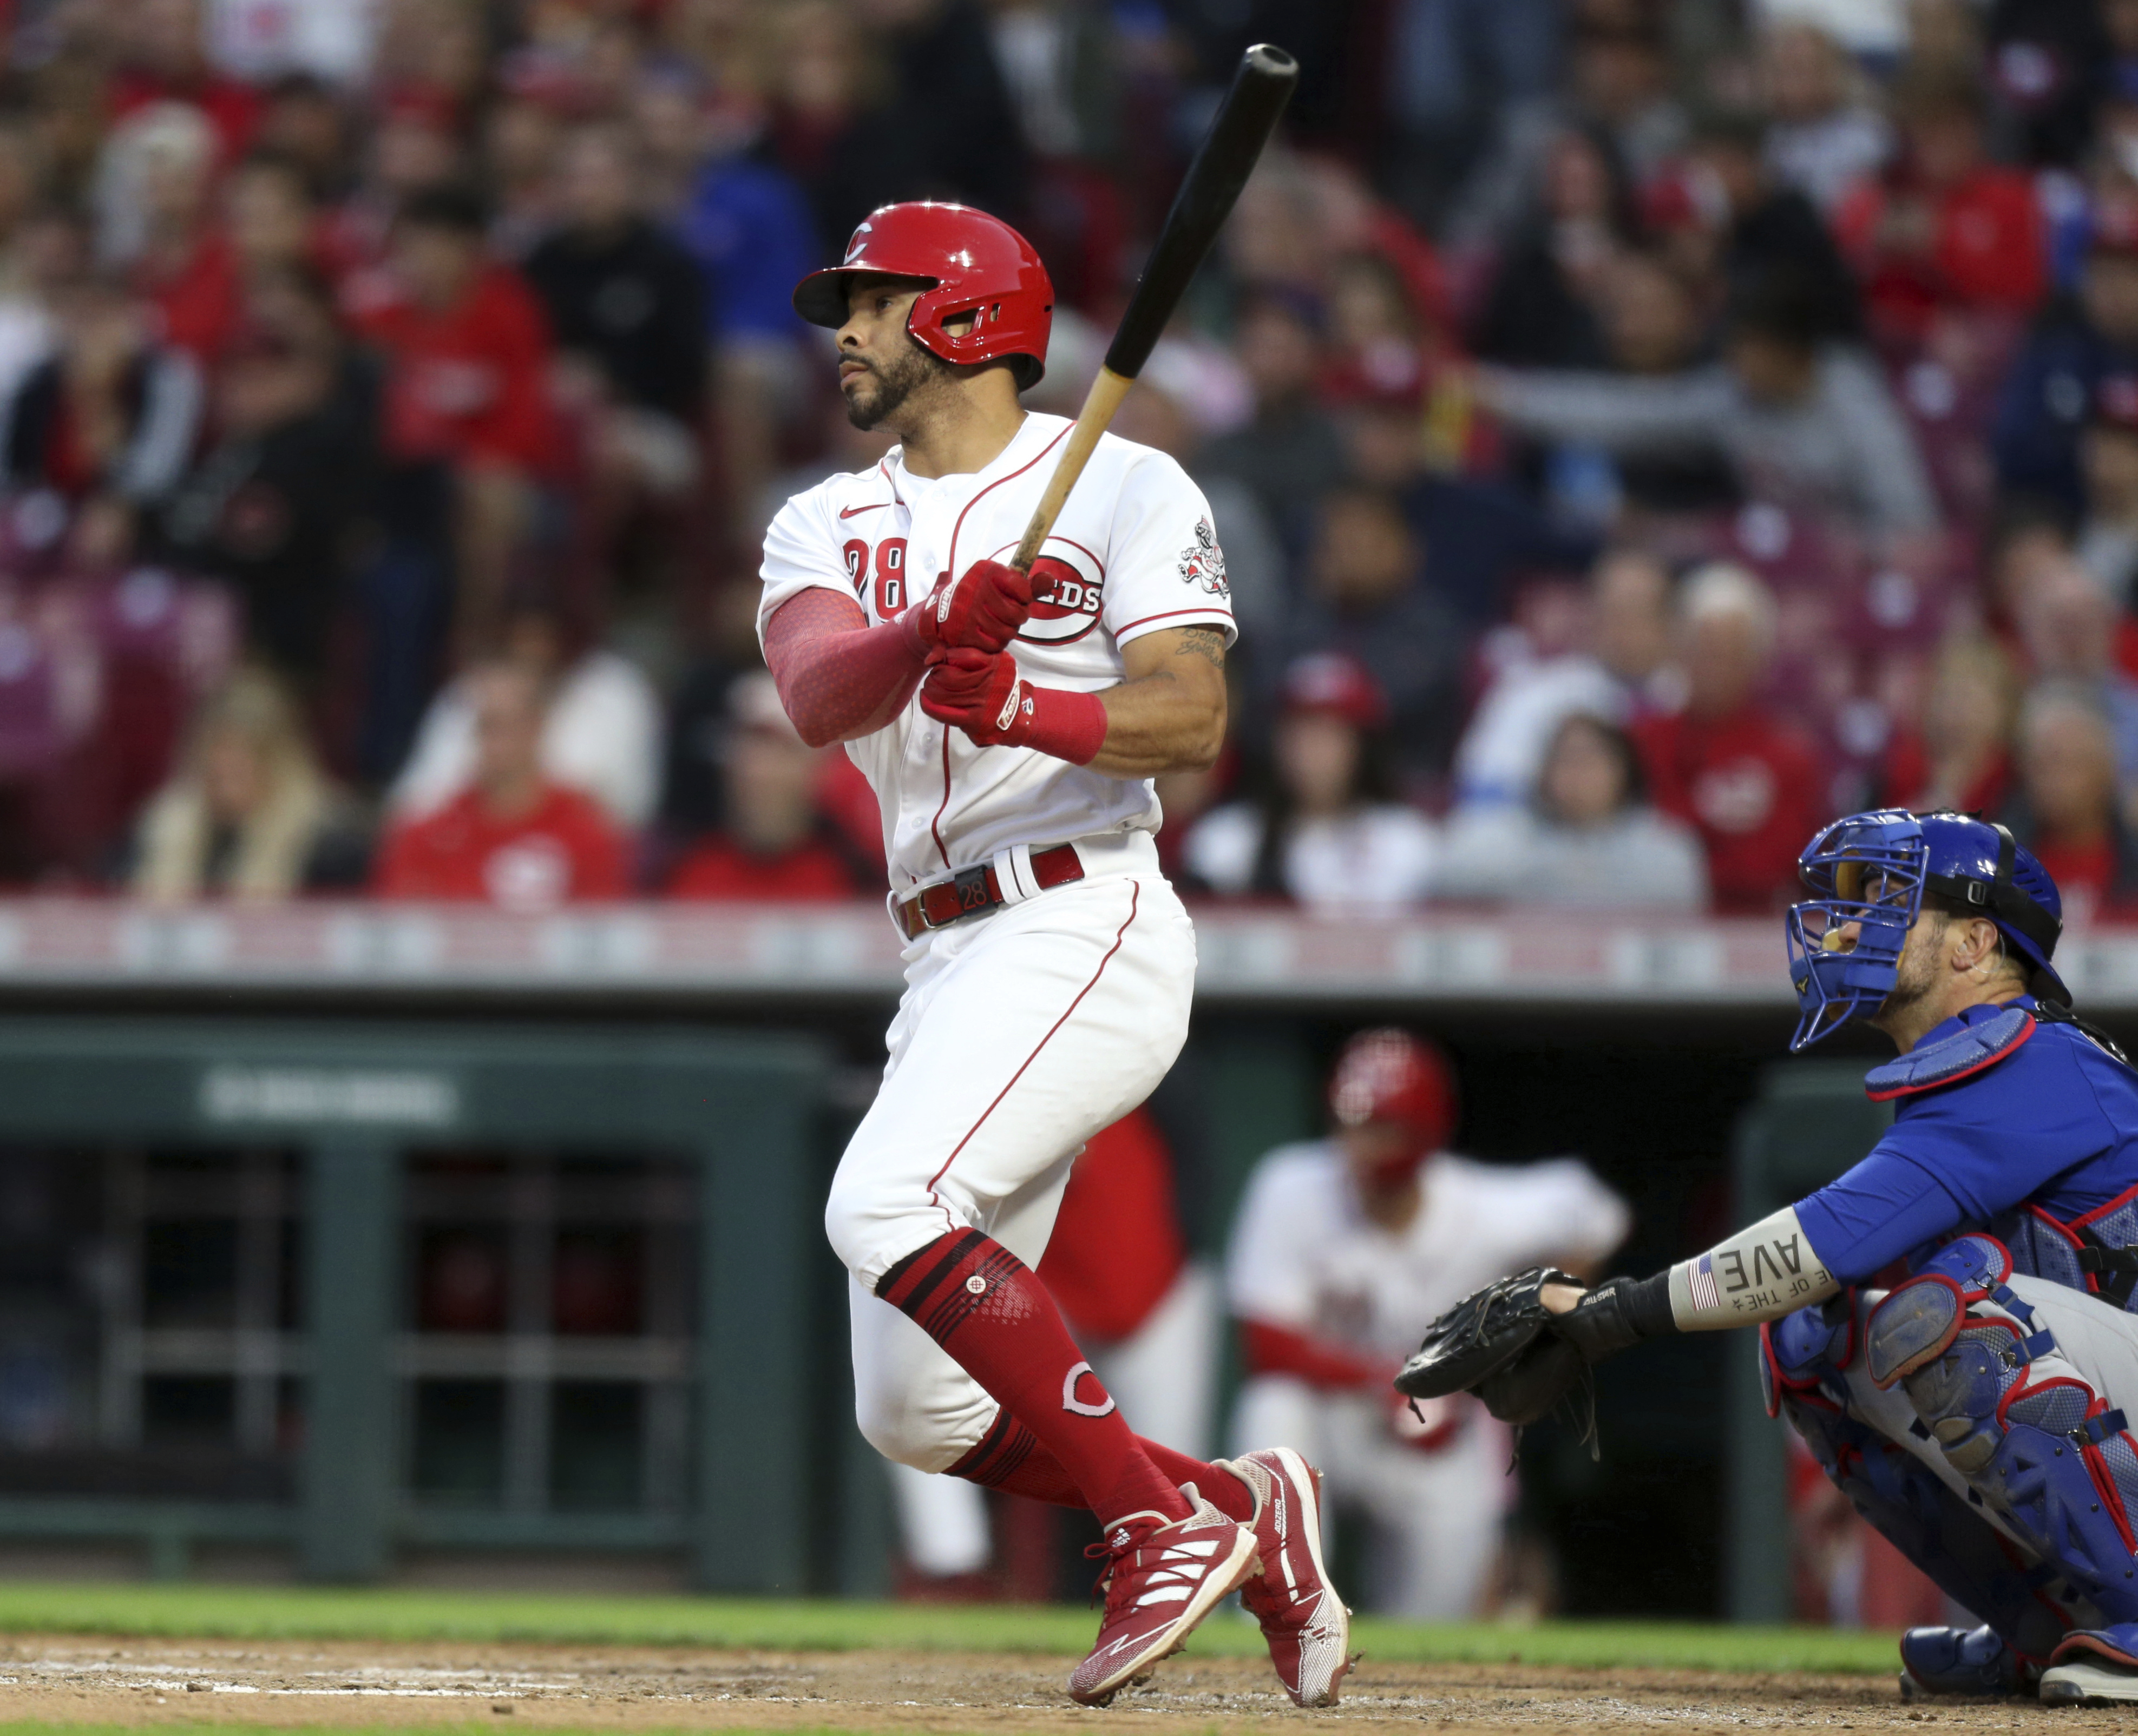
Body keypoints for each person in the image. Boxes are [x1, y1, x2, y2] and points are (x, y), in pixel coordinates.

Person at [758, 201, 1349, 1709]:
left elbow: (1190, 718)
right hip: (941, 954)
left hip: (1080, 910)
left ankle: (1150, 1526)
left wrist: (1024, 704)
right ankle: (1232, 1508)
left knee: (881, 1198)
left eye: (875, 302)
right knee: (915, 1415)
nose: (845, 330)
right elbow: (822, 693)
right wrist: (928, 638)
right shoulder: (823, 519)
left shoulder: (1127, 484)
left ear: (960, 319)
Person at [1404, 806, 2138, 1703]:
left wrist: (1607, 1317)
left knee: (1949, 1315)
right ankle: (2042, 1627)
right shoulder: (1972, 1070)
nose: (1850, 922)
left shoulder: (2031, 1060)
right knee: (1810, 1337)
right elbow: (1813, 1273)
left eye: (1889, 901)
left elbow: (1820, 1240)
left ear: (1975, 942)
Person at [1228, 1030, 1628, 1616]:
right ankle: (1268, 1617)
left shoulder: (1483, 1209)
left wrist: (1545, 1326)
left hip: (1436, 1431)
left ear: (1422, 1131)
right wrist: (1384, 1380)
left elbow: (1597, 1215)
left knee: (1435, 1612)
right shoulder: (1292, 1185)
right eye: (1349, 1122)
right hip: (1334, 1415)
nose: (1358, 1144)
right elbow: (1265, 1347)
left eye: (1379, 1126)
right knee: (1272, 1405)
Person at [1632, 563, 1825, 915]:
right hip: (1655, 919)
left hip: (1752, 933)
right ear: (1679, 651)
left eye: (1731, 654)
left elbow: (1782, 865)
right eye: (1704, 650)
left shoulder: (1788, 754)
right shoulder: (1643, 741)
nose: (1716, 667)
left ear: (1759, 661)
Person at [1184, 653, 1438, 916]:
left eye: (1331, 734)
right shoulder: (1228, 838)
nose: (1311, 751)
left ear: (1363, 747)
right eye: (1299, 732)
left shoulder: (1407, 840)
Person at [372, 660, 630, 910]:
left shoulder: (585, 833)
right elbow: (396, 928)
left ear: (538, 727)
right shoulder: (427, 837)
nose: (496, 743)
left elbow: (602, 934)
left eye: (507, 726)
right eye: (486, 726)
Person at [128, 666, 368, 899]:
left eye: (242, 764)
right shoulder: (163, 831)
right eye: (218, 762)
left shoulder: (330, 849)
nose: (225, 771)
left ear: (279, 764)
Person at [1435, 712, 1708, 909]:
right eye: (1566, 760)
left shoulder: (1663, 843)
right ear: (1544, 773)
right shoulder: (1509, 834)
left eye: (1591, 760)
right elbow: (1450, 876)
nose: (1578, 774)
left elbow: (1680, 892)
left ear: (1624, 772)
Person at [665, 671, 865, 900]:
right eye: (745, 749)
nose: (756, 771)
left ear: (819, 769)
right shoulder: (690, 870)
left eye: (781, 753)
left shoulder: (850, 876)